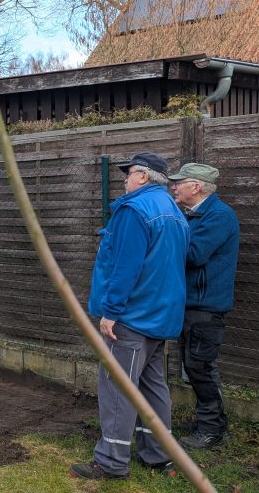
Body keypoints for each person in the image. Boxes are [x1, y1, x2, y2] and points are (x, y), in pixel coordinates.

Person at [71, 152, 190, 481]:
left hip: (132, 317)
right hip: (161, 316)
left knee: (117, 387)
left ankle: (111, 461)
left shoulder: (134, 210)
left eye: (129, 173)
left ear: (143, 176)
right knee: (153, 387)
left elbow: (125, 266)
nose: (124, 179)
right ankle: (158, 454)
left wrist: (111, 312)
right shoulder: (175, 212)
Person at [169, 162, 240, 450]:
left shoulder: (219, 216)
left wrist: (165, 237)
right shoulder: (195, 215)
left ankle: (211, 430)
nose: (174, 187)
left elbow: (195, 254)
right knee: (194, 366)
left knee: (201, 368)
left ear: (196, 187)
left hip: (205, 309)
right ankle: (210, 423)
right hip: (191, 305)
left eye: (179, 182)